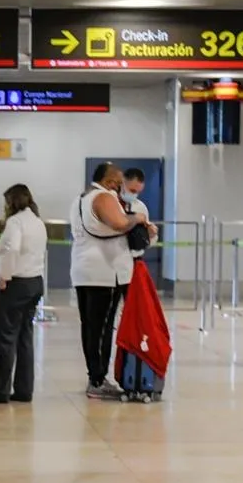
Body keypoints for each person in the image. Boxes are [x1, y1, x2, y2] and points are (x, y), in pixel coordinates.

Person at [71, 161, 151, 399]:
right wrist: (137, 219)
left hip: (84, 269)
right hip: (103, 273)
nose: (119, 187)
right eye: (117, 182)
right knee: (102, 328)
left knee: (90, 326)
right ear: (107, 181)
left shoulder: (80, 199)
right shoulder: (103, 196)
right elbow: (119, 223)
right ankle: (97, 379)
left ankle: (95, 376)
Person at [0, 183, 47, 403]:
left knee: (5, 338)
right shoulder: (37, 221)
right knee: (25, 337)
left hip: (16, 284)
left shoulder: (15, 222)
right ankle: (24, 390)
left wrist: (4, 275)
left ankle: (1, 390)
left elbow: (12, 248)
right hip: (35, 283)